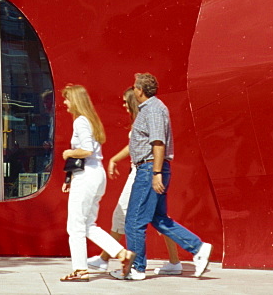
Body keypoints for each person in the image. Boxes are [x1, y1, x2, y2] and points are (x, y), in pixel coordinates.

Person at [113, 72, 212, 281]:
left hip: (149, 169)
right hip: (150, 168)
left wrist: (156, 173)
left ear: (140, 90)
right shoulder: (152, 109)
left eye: (134, 87)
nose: (133, 90)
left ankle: (137, 268)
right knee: (158, 219)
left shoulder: (153, 110)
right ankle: (198, 248)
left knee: (134, 221)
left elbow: (158, 142)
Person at [87, 87, 183, 275]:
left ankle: (115, 261)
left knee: (123, 216)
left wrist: (156, 172)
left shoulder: (146, 116)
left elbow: (155, 145)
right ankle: (174, 261)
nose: (123, 105)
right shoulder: (144, 117)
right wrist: (115, 159)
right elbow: (134, 146)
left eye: (125, 101)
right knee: (156, 218)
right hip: (142, 171)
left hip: (141, 173)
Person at [60, 83, 135, 282]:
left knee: (75, 226)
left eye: (67, 99)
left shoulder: (80, 122)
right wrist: (69, 177)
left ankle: (80, 269)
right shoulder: (91, 121)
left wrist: (68, 153)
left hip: (85, 177)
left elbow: (86, 150)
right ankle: (120, 253)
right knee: (88, 225)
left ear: (75, 100)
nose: (65, 103)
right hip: (96, 175)